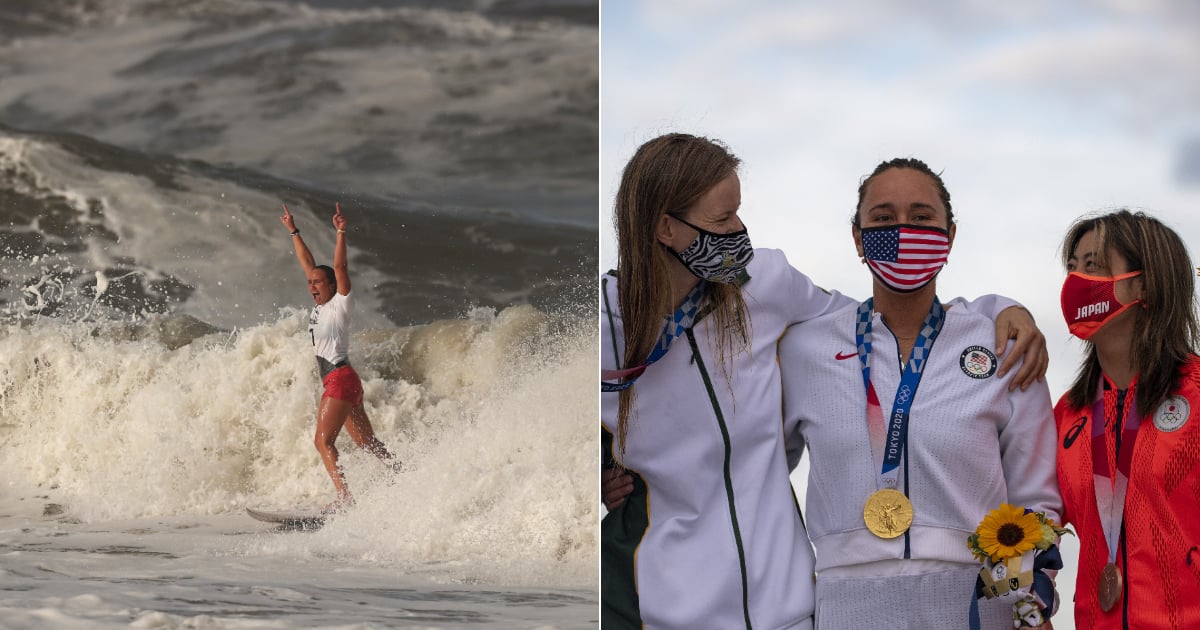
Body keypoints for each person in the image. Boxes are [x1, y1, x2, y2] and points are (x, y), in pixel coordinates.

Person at [600, 134, 1047, 630]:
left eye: (738, 214)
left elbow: (880, 317)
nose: (739, 231)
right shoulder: (605, 326)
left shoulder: (766, 283)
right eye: (723, 221)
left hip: (791, 607)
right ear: (666, 228)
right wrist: (597, 468)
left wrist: (998, 310)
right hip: (672, 598)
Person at [777, 158, 1062, 629]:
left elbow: (1035, 498)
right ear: (857, 237)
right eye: (884, 219)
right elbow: (756, 471)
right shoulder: (806, 349)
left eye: (922, 218)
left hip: (976, 600)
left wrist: (1024, 607)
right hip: (847, 603)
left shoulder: (1002, 343)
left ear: (949, 236)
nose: (904, 232)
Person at [1054, 210, 1200, 629]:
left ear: (1147, 283)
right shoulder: (1068, 412)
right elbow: (1034, 523)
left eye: (1093, 266)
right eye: (1072, 268)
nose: (1075, 282)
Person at [280, 202, 399, 511]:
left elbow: (341, 268)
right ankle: (405, 473)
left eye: (318, 283)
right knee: (366, 443)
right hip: (344, 380)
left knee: (323, 442)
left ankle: (345, 500)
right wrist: (293, 231)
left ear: (333, 286)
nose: (312, 286)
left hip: (340, 380)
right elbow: (308, 263)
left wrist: (341, 232)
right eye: (310, 283)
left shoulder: (340, 304)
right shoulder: (320, 308)